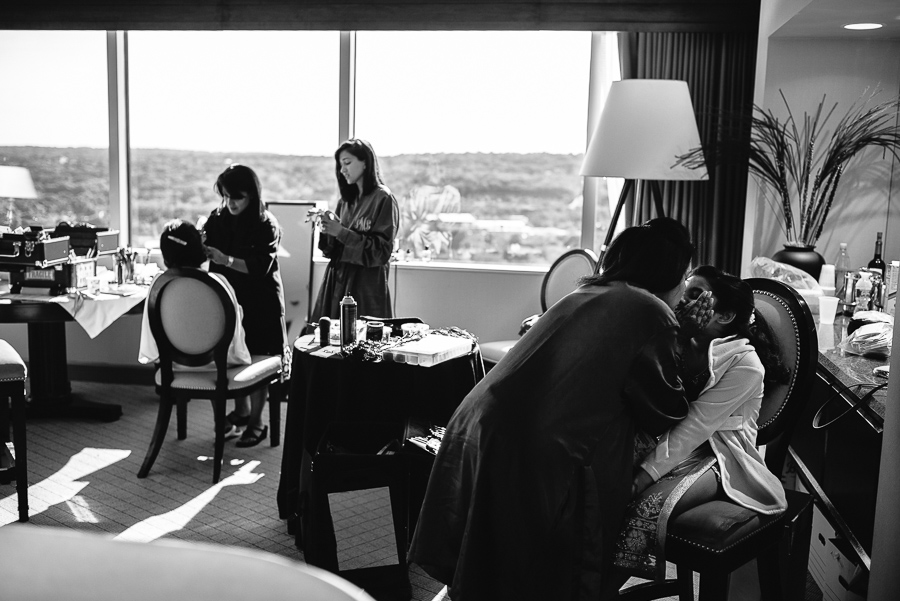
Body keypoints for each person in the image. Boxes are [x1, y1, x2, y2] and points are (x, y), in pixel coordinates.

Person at [407, 218, 698, 601]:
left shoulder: (588, 292)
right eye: (686, 277)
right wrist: (692, 338)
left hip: (478, 420)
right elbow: (665, 409)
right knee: (537, 570)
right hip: (534, 445)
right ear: (671, 273)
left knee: (485, 557)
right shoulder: (651, 311)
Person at [612, 265, 790, 583]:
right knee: (600, 481)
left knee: (642, 504)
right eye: (685, 290)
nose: (682, 299)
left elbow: (695, 427)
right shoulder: (678, 338)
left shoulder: (745, 365)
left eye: (695, 295)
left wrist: (641, 477)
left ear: (723, 316)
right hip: (666, 441)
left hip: (717, 457)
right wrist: (675, 339)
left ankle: (604, 586)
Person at [202, 164, 287, 447]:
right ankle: (240, 413)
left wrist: (225, 259)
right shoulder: (218, 218)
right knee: (233, 357)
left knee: (258, 359)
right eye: (225, 196)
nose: (230, 203)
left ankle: (257, 422)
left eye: (236, 197)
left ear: (251, 194)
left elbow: (259, 267)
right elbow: (206, 250)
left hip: (259, 300)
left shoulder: (266, 224)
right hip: (227, 299)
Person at [138, 219, 251, 370]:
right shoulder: (219, 283)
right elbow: (236, 340)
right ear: (200, 249)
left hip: (173, 366)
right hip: (218, 365)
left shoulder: (159, 285)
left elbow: (151, 338)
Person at [310, 138, 399, 321]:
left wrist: (341, 232)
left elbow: (381, 252)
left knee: (363, 342)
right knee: (329, 340)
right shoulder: (345, 201)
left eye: (347, 163)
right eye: (340, 165)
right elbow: (331, 251)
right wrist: (327, 228)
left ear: (365, 162)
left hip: (365, 287)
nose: (342, 170)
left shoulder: (383, 198)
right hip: (336, 282)